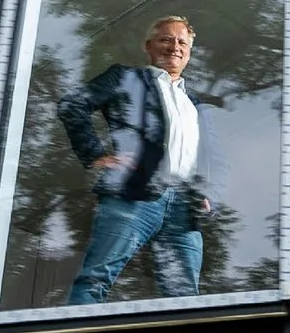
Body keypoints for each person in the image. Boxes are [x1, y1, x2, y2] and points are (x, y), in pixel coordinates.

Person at [56, 16, 212, 304]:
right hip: (134, 196)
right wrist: (95, 154)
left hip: (182, 206)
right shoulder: (126, 78)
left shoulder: (194, 103)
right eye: (166, 39)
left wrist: (201, 191)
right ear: (149, 46)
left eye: (182, 42)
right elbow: (72, 104)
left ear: (189, 51)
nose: (174, 46)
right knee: (96, 278)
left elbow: (195, 151)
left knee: (184, 298)